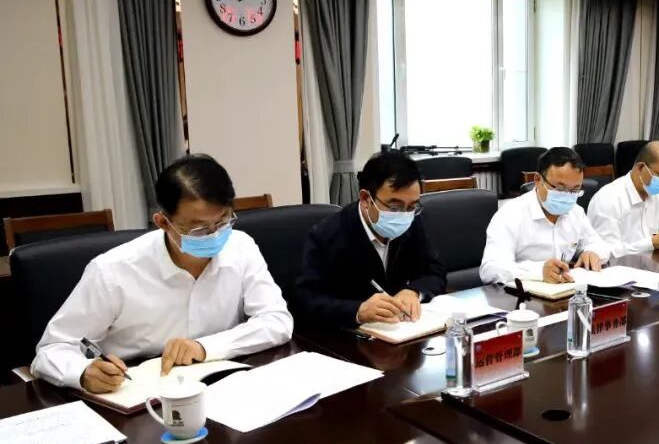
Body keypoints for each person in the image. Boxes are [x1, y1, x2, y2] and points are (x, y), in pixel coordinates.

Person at [30, 154, 293, 393]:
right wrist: (83, 372)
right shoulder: (112, 271)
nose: (215, 235)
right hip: (137, 392)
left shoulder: (241, 246)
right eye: (199, 229)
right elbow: (52, 349)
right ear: (162, 222)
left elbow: (276, 320)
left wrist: (204, 347)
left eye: (223, 221)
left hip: (220, 385)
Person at [295, 152, 446, 329]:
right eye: (394, 207)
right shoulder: (327, 235)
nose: (404, 215)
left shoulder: (411, 220)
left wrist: (413, 291)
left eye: (412, 206)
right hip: (346, 336)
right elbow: (305, 300)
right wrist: (358, 311)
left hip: (402, 331)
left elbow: (435, 272)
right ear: (366, 199)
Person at [480, 147, 610, 284]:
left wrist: (592, 253)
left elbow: (600, 246)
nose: (567, 196)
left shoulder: (575, 212)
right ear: (538, 180)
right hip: (522, 293)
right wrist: (539, 271)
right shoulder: (510, 214)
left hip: (565, 290)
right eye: (560, 188)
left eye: (575, 190)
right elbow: (490, 270)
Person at [587, 141, 659, 257]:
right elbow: (604, 252)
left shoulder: (655, 193)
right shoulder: (608, 199)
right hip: (619, 268)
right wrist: (650, 243)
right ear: (640, 167)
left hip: (653, 264)